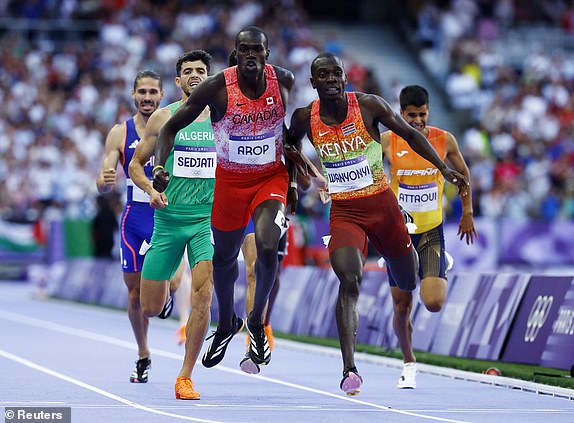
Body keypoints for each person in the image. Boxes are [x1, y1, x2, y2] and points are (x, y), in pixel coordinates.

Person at [286, 53, 468, 396]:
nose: (330, 79)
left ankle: (431, 260)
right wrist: (297, 181)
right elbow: (288, 143)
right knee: (349, 279)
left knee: (408, 282)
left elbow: (411, 136)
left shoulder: (369, 106)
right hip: (344, 212)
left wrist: (443, 169)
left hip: (383, 208)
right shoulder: (303, 118)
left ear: (344, 77)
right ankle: (349, 370)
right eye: (322, 75)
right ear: (313, 83)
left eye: (335, 73)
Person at [154, 26, 296, 372]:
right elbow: (169, 129)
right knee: (223, 260)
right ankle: (228, 322)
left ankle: (257, 321)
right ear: (236, 53)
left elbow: (288, 132)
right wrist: (159, 165)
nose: (250, 55)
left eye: (256, 50)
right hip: (230, 181)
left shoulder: (284, 81)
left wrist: (292, 176)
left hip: (269, 177)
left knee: (265, 245)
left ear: (267, 55)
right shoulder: (216, 88)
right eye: (243, 50)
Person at [128, 50, 215, 400]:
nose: (195, 75)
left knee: (204, 294)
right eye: (188, 71)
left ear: (209, 78)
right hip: (165, 221)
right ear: (178, 81)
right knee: (149, 307)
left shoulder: (223, 119)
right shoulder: (162, 118)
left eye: (201, 71)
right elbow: (135, 165)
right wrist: (149, 188)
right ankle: (165, 298)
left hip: (204, 221)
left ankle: (185, 376)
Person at [381, 85, 477, 389]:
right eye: (412, 116)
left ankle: (436, 266)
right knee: (401, 306)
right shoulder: (387, 140)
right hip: (398, 234)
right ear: (401, 113)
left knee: (433, 302)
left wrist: (468, 211)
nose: (419, 121)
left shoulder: (444, 139)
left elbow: (463, 173)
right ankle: (409, 362)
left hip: (431, 230)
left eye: (423, 114)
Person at [97, 70, 174, 384]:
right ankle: (143, 354)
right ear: (133, 94)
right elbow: (104, 179)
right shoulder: (119, 132)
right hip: (134, 219)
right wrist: (104, 181)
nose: (147, 97)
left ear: (161, 94)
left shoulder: (174, 126)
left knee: (170, 281)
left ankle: (169, 292)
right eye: (141, 92)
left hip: (168, 215)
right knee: (134, 295)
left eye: (152, 92)